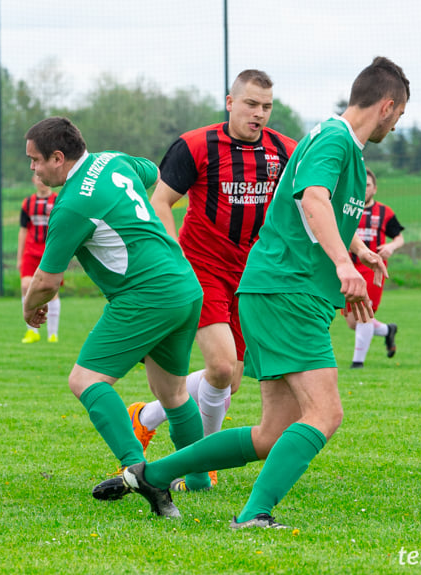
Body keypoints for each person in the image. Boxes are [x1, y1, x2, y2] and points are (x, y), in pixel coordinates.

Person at [95, 57, 409, 527]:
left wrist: (356, 248)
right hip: (288, 292)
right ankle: (254, 515)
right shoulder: (336, 140)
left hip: (274, 289)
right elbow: (314, 198)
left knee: (271, 432)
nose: (397, 125)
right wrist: (344, 265)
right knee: (324, 413)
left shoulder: (329, 141)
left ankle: (150, 474)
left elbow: (304, 211)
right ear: (387, 106)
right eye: (400, 116)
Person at [23, 116, 213, 513]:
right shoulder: (111, 161)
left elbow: (46, 282)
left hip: (146, 295)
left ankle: (139, 471)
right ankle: (198, 479)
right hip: (184, 285)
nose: (33, 169)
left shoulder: (72, 204)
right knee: (173, 393)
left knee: (86, 379)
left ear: (58, 158)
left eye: (36, 160)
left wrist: (28, 307)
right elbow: (152, 170)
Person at [129, 70, 298, 491]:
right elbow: (161, 202)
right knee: (221, 367)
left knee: (229, 379)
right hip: (201, 267)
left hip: (252, 275)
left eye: (266, 107)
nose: (259, 114)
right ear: (230, 102)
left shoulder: (285, 151)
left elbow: (309, 205)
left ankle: (146, 415)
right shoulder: (196, 145)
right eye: (251, 104)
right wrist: (175, 258)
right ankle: (197, 466)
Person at [345, 167, 405, 368]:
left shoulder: (384, 212)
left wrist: (391, 246)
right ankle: (388, 330)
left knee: (364, 314)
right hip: (349, 268)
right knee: (353, 322)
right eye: (360, 184)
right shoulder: (347, 209)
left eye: (368, 185)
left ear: (375, 188)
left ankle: (357, 363)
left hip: (373, 269)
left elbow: (399, 238)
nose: (364, 189)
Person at [18, 173, 61, 344]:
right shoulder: (27, 203)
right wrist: (19, 257)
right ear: (33, 180)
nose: (41, 182)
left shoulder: (58, 200)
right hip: (30, 251)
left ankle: (52, 334)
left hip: (49, 252)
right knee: (25, 285)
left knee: (51, 291)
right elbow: (22, 230)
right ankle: (32, 332)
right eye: (37, 178)